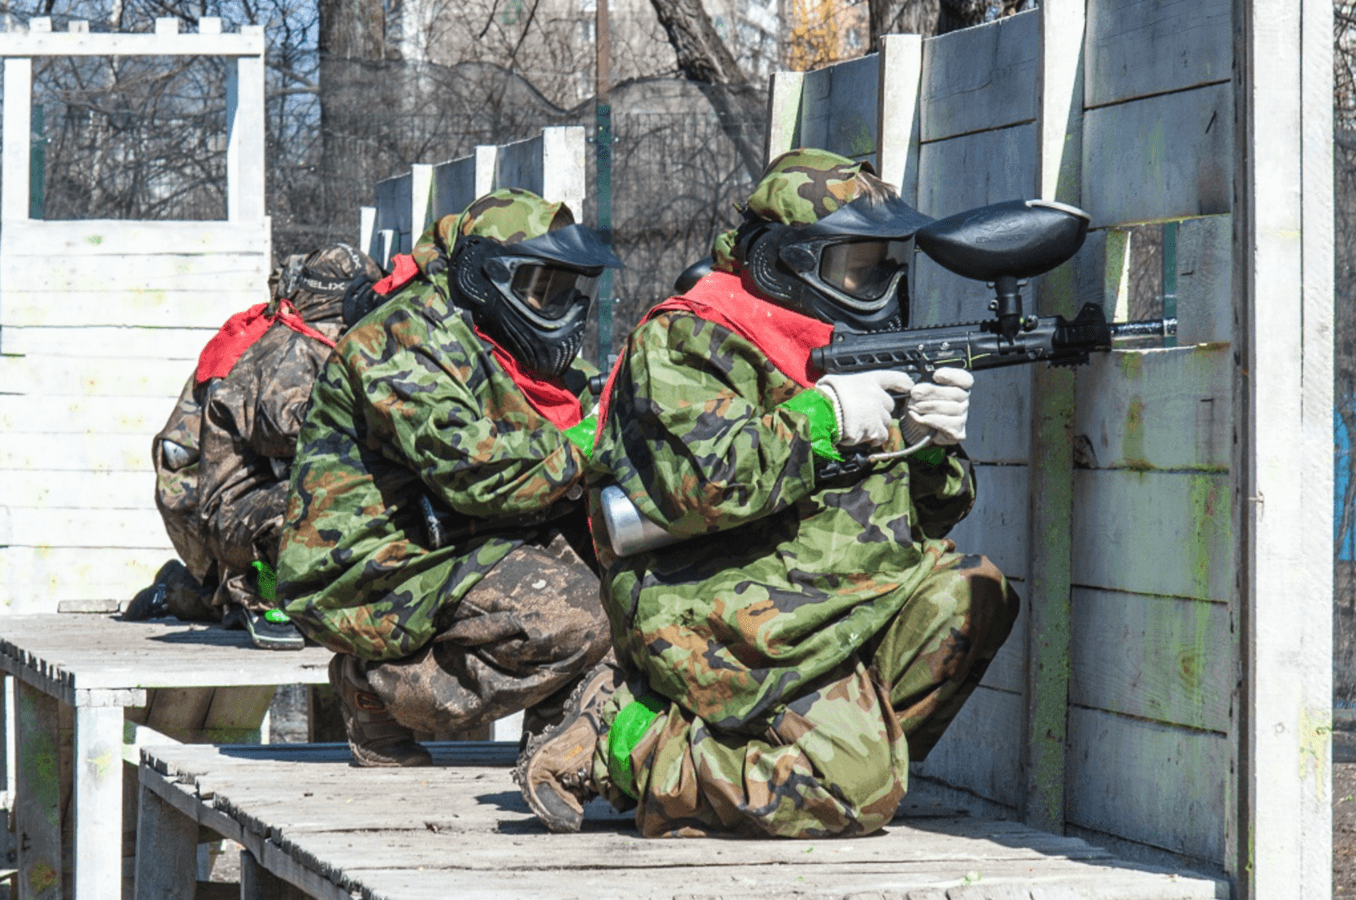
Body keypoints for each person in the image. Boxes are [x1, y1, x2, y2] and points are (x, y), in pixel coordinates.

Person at [517, 148, 1020, 837]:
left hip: (834, 592)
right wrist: (824, 419)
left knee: (972, 593)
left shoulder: (844, 341)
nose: (871, 286)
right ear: (782, 261)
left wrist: (928, 444)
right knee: (856, 788)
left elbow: (931, 515)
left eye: (882, 266)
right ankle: (627, 742)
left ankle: (803, 762)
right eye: (854, 266)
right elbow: (700, 483)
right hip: (716, 604)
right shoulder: (687, 338)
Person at [276, 189, 622, 767]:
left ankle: (557, 742)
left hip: (453, 537)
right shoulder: (399, 339)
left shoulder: (493, 339)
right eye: (543, 289)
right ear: (484, 277)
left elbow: (588, 408)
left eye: (568, 290)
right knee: (577, 617)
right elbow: (481, 473)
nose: (560, 308)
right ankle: (380, 690)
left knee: (626, 582)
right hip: (367, 566)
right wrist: (590, 444)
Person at [196, 244, 384, 649]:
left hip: (259, 503)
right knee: (327, 496)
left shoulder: (313, 339)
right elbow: (284, 431)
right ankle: (263, 599)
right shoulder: (294, 346)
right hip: (235, 510)